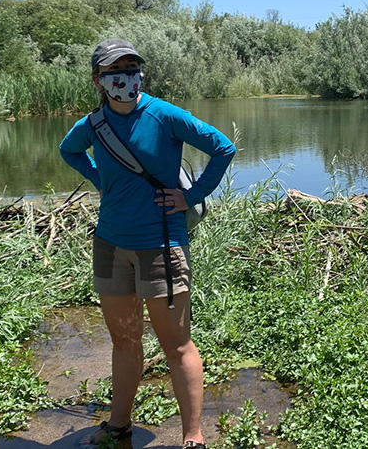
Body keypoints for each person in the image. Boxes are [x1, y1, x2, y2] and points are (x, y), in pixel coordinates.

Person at [60, 38, 236, 448]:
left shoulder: (163, 115)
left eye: (131, 67)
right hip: (110, 245)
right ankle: (119, 424)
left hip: (160, 244)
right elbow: (69, 151)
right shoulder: (93, 125)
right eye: (114, 70)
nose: (125, 77)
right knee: (124, 340)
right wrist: (102, 181)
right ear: (98, 80)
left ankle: (192, 436)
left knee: (176, 345)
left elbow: (222, 148)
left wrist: (189, 197)